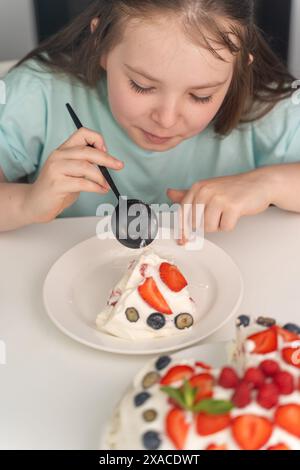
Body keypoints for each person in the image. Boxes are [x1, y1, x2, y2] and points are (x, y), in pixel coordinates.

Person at [0, 0, 299, 241]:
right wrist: (27, 202)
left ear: (238, 70)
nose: (166, 120)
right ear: (101, 44)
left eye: (200, 96)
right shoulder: (38, 93)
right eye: (142, 86)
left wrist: (267, 184)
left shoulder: (266, 107)